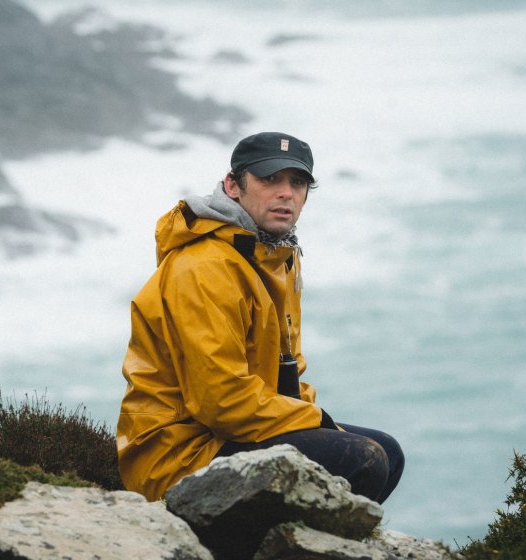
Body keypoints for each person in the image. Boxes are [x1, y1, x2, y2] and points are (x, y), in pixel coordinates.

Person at [116, 131, 404, 503]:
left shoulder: (273, 257)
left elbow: (287, 373)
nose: (286, 193)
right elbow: (221, 401)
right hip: (180, 455)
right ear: (233, 186)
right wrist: (318, 421)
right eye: (270, 179)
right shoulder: (205, 267)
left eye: (297, 182)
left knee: (388, 453)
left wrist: (314, 417)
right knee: (365, 460)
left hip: (236, 432)